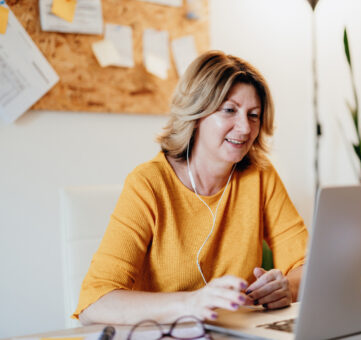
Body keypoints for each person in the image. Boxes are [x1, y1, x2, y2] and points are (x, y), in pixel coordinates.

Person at [74, 50, 308, 325]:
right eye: (229, 110)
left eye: (254, 115)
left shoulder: (260, 176)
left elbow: (309, 267)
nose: (245, 128)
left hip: (236, 333)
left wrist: (287, 287)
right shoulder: (148, 183)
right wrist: (192, 302)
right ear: (197, 113)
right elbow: (95, 303)